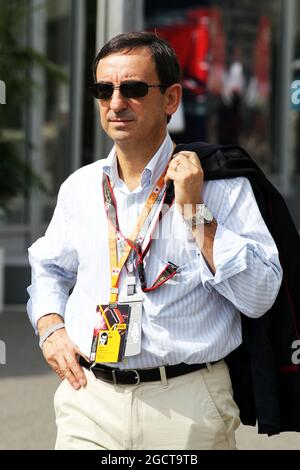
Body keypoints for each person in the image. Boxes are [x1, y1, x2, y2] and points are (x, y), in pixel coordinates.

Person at [27, 32, 283, 450]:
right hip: (90, 400)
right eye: (103, 90)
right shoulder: (80, 187)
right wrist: (50, 326)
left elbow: (259, 296)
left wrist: (195, 213)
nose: (115, 103)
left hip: (186, 402)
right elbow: (49, 267)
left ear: (171, 99)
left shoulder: (224, 186)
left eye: (133, 89)